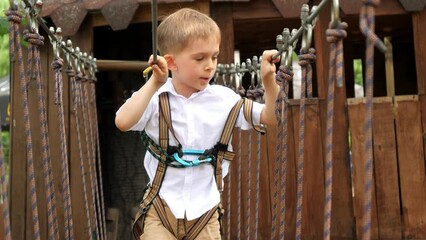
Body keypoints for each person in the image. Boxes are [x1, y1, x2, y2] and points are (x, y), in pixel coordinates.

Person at [115, 8, 280, 240]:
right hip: (160, 210)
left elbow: (270, 117)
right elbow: (122, 121)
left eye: (214, 56)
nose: (210, 65)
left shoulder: (224, 99)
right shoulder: (155, 97)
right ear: (171, 62)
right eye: (200, 58)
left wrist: (269, 84)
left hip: (205, 215)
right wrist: (154, 83)